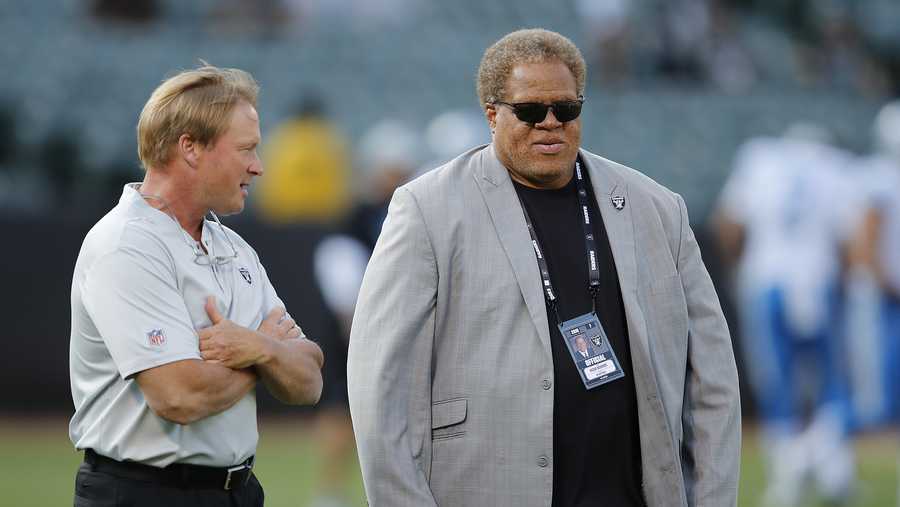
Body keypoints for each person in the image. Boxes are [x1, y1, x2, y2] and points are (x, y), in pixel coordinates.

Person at [347, 28, 740, 506]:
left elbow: (713, 379)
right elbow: (380, 385)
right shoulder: (427, 209)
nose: (550, 123)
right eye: (531, 111)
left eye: (566, 109)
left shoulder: (656, 207)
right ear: (492, 115)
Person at [68, 64, 324, 507]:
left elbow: (309, 379)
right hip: (143, 492)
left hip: (239, 492)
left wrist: (258, 348)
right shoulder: (125, 244)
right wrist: (266, 354)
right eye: (246, 149)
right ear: (190, 147)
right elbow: (178, 395)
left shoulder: (233, 246)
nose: (258, 166)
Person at [713, 124, 858, 506]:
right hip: (818, 278)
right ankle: (831, 466)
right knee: (830, 377)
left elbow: (729, 223)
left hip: (768, 282)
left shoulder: (760, 159)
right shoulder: (836, 167)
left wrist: (738, 269)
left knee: (777, 380)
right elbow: (849, 238)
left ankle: (788, 471)